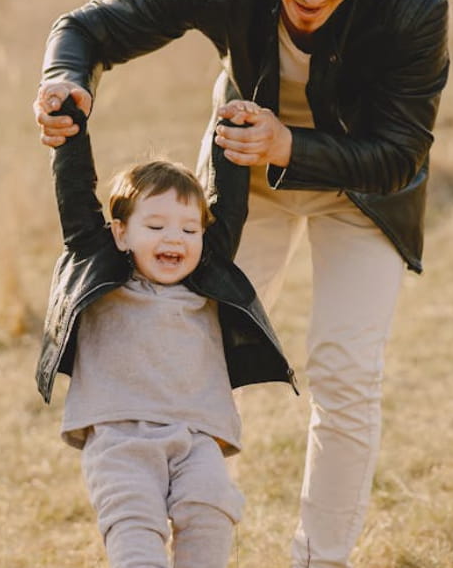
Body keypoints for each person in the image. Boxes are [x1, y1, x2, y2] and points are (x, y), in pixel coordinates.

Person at [32, 0, 450, 566]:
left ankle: (320, 558)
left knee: (346, 373)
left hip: (365, 190)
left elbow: (402, 153)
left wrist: (288, 143)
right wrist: (63, 80)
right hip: (242, 183)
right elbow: (90, 27)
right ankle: (147, 522)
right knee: (192, 351)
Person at [36, 98, 297, 567]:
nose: (174, 238)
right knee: (134, 524)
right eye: (155, 225)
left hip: (197, 436)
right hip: (119, 437)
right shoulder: (103, 271)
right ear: (120, 233)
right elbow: (75, 198)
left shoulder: (208, 277)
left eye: (188, 229)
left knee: (211, 510)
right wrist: (70, 129)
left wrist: (232, 127)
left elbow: (230, 206)